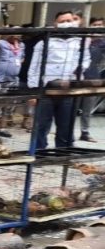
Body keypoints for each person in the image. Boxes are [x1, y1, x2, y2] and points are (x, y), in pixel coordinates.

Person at [28, 10, 90, 150]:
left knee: (66, 125)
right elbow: (34, 67)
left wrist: (80, 68)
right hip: (47, 90)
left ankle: (63, 153)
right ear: (55, 24)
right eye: (62, 21)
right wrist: (33, 91)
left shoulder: (80, 43)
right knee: (41, 125)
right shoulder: (44, 43)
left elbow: (86, 59)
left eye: (69, 21)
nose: (66, 24)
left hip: (69, 89)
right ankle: (39, 152)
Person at [0, 28, 24, 138]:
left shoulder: (22, 46)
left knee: (8, 106)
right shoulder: (2, 43)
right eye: (13, 33)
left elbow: (22, 58)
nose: (15, 35)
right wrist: (3, 35)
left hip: (13, 80)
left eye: (18, 33)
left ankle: (3, 128)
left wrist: (15, 64)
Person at [78, 15, 104, 143]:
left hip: (94, 78)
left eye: (100, 25)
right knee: (72, 106)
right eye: (95, 25)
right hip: (78, 77)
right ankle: (67, 132)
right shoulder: (82, 41)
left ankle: (85, 132)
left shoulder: (103, 43)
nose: (98, 27)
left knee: (87, 109)